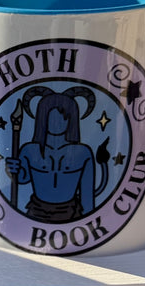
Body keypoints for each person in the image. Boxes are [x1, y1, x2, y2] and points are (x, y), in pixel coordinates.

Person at [11, 89, 95, 223]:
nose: (57, 122)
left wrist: (90, 224)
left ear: (71, 120)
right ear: (42, 118)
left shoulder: (83, 153)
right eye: (51, 117)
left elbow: (87, 195)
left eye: (64, 117)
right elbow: (22, 178)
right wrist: (12, 170)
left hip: (72, 212)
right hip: (36, 211)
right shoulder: (29, 149)